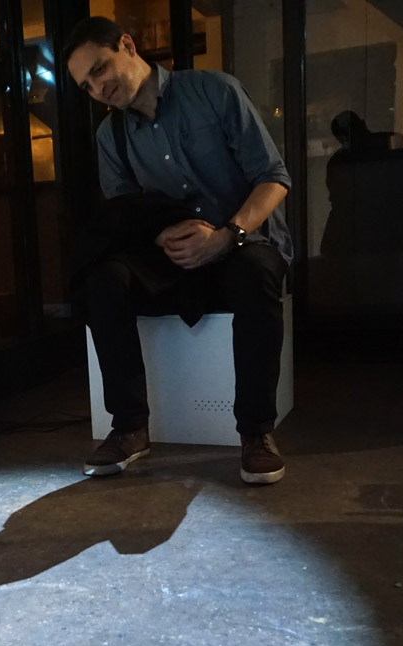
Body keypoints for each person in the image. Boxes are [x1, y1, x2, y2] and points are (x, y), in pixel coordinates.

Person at [64, 16, 293, 483]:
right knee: (103, 278)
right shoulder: (111, 136)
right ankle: (130, 426)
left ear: (128, 45)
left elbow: (274, 177)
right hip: (175, 253)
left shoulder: (214, 91)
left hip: (243, 239)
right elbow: (126, 215)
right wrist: (162, 237)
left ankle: (256, 433)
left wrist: (225, 235)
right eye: (87, 85)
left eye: (100, 69)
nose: (98, 89)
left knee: (255, 273)